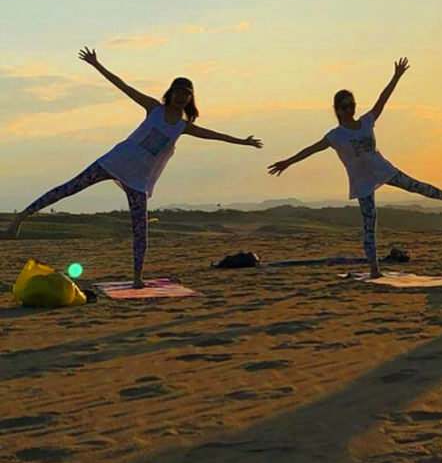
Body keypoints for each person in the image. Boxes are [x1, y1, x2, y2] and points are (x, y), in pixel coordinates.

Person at [5, 48, 263, 286]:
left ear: (190, 99)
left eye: (187, 94)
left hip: (138, 179)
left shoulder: (183, 127)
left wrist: (243, 141)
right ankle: (20, 218)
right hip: (114, 161)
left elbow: (214, 135)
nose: (182, 97)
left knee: (140, 229)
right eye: (179, 92)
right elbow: (123, 86)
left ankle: (138, 277)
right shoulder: (153, 108)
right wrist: (97, 64)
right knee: (69, 188)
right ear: (171, 93)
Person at [268, 58, 442, 277]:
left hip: (382, 169)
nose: (350, 109)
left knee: (416, 186)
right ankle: (374, 269)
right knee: (370, 222)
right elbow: (310, 149)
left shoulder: (366, 121)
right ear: (337, 110)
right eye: (345, 106)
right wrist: (288, 162)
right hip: (362, 181)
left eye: (352, 105)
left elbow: (382, 100)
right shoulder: (335, 136)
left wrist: (396, 77)